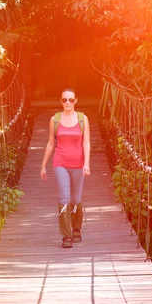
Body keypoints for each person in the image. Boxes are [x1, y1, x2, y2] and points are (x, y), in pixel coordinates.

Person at [40, 88, 91, 248]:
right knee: (64, 199)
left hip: (78, 163)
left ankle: (76, 229)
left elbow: (86, 142)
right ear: (60, 101)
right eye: (64, 100)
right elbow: (50, 143)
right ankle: (66, 236)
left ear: (76, 101)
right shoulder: (54, 120)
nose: (67, 103)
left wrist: (87, 163)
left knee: (76, 199)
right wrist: (43, 165)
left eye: (70, 100)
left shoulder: (83, 119)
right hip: (60, 163)